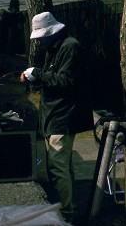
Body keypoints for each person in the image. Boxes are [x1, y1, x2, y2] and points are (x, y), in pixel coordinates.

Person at [20, 12, 92, 223]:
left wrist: (39, 74)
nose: (40, 41)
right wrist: (37, 76)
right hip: (56, 113)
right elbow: (57, 78)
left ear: (51, 32)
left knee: (57, 166)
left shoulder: (70, 47)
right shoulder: (57, 46)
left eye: (41, 36)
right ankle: (66, 207)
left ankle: (66, 213)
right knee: (62, 165)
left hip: (63, 114)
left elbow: (67, 80)